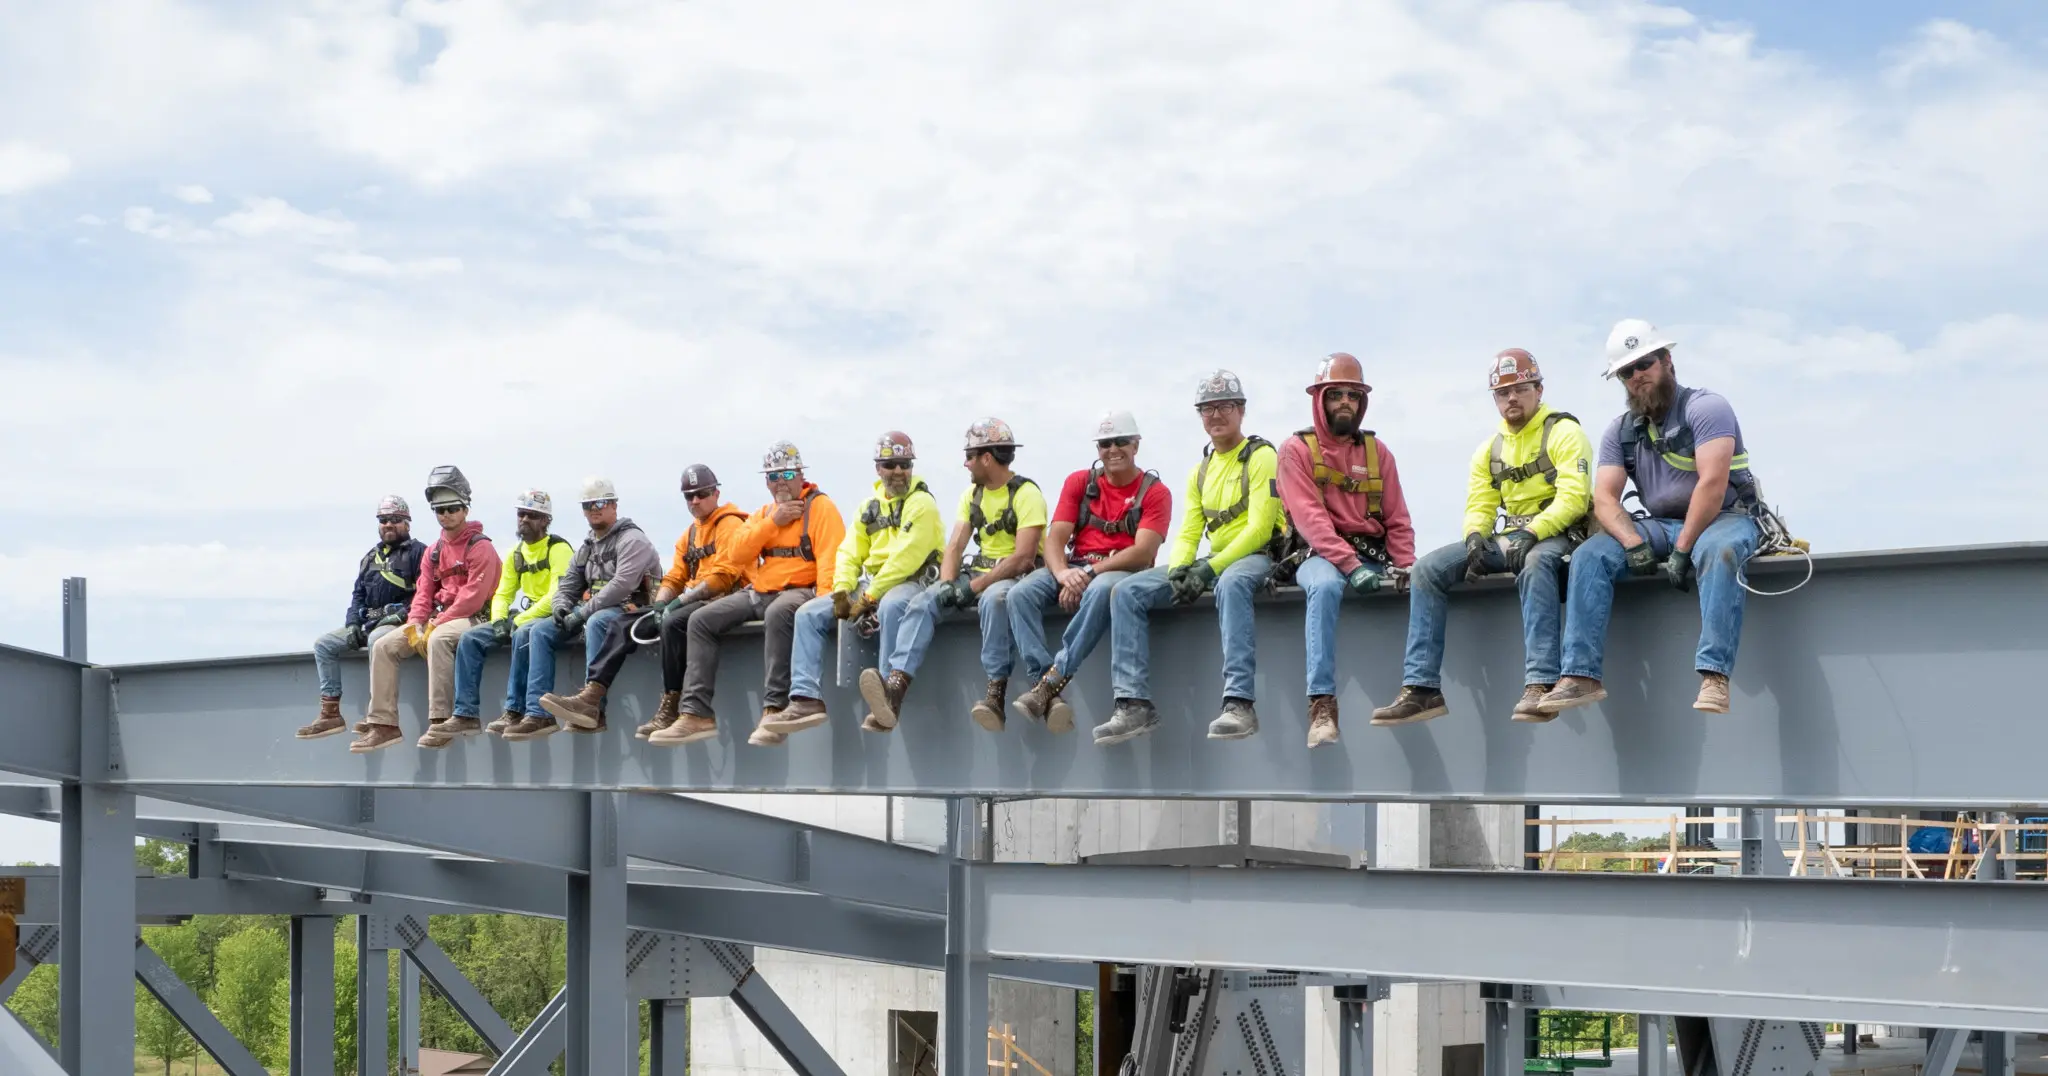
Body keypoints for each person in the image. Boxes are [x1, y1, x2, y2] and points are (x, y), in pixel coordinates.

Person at [1537, 319, 1761, 717]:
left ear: (1667, 360)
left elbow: (1711, 483)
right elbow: (1605, 498)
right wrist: (1632, 543)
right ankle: (1580, 675)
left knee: (1720, 551)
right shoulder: (1621, 432)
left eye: (1646, 363)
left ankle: (1714, 675)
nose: (1638, 375)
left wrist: (1683, 548)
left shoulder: (1706, 408)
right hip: (1659, 525)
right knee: (1590, 556)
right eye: (1628, 370)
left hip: (1722, 517)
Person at [1371, 349, 1587, 727]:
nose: (1512, 399)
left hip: (1557, 534)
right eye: (1503, 393)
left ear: (1538, 388)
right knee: (1428, 569)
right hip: (1510, 538)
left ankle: (1541, 682)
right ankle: (1422, 688)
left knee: (1536, 564)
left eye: (1520, 389)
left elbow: (1574, 497)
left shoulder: (1564, 432)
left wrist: (1533, 532)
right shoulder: (1489, 450)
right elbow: (1481, 505)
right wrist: (1473, 537)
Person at [1096, 371, 1283, 745]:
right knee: (1127, 592)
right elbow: (1189, 531)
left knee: (1231, 583)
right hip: (1213, 559)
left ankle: (1239, 703)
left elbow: (1260, 529)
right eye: (1207, 408)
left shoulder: (1262, 457)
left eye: (1225, 406)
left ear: (1241, 411)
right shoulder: (1200, 471)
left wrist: (1209, 568)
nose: (1216, 415)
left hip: (1258, 557)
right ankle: (1133, 704)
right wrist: (1182, 568)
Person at [1276, 353, 1417, 746]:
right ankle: (1322, 705)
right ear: (1319, 399)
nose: (1344, 403)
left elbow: (1398, 519)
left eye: (1352, 396)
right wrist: (1351, 565)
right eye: (1335, 394)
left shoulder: (1377, 453)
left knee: (1423, 585)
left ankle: (1418, 686)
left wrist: (1406, 566)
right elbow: (1310, 520)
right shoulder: (1295, 451)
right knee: (1324, 588)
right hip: (1317, 555)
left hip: (1373, 556)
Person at [764, 431, 943, 737]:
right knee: (807, 613)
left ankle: (888, 697)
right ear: (878, 468)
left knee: (892, 604)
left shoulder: (921, 503)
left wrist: (869, 597)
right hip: (873, 583)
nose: (898, 471)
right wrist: (842, 591)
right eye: (890, 465)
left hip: (911, 580)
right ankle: (805, 698)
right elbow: (849, 551)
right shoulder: (868, 507)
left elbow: (906, 558)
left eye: (904, 464)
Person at [667, 441, 846, 747]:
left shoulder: (819, 508)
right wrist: (772, 523)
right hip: (761, 591)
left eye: (786, 474)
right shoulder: (765, 514)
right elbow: (736, 553)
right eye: (773, 476)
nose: (780, 482)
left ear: (800, 474)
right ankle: (695, 713)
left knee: (779, 613)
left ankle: (773, 710)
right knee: (700, 620)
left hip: (802, 592)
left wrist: (824, 604)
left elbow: (832, 558)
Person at [1008, 409, 1171, 732]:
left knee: (1101, 590)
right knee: (1019, 594)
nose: (1113, 450)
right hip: (1076, 567)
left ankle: (1054, 678)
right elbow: (1055, 540)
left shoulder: (1155, 493)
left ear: (1136, 445)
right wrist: (1063, 575)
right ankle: (1047, 689)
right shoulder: (1080, 482)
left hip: (1118, 570)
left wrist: (1090, 574)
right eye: (1105, 444)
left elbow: (1143, 551)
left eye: (1121, 441)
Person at [885, 418, 1047, 731]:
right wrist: (946, 587)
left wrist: (972, 587)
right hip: (979, 569)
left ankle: (995, 693)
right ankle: (896, 684)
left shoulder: (1027, 494)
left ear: (987, 457)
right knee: (923, 601)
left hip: (1012, 575)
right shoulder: (972, 495)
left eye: (971, 456)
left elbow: (1024, 557)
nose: (966, 463)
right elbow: (955, 546)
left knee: (994, 600)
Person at [571, 464, 748, 742]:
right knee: (624, 622)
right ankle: (593, 692)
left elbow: (724, 576)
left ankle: (672, 703)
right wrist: (660, 603)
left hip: (724, 597)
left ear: (715, 493)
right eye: (689, 496)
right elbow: (675, 576)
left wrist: (675, 604)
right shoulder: (689, 535)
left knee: (673, 621)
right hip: (691, 599)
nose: (695, 501)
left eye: (701, 494)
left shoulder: (731, 525)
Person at [350, 466, 502, 752]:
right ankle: (384, 724)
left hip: (473, 617)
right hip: (439, 617)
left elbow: (473, 596)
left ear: (465, 509)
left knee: (439, 639)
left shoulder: (481, 548)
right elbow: (423, 592)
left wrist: (436, 623)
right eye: (439, 510)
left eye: (452, 508)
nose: (446, 515)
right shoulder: (434, 551)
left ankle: (440, 720)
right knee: (384, 646)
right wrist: (415, 623)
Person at [521, 478, 663, 736]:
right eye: (587, 505)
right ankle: (537, 714)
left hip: (632, 612)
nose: (594, 509)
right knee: (540, 631)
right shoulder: (587, 547)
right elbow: (569, 584)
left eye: (600, 502)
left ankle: (592, 709)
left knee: (597, 621)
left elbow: (622, 584)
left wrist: (582, 613)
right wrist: (562, 607)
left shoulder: (632, 539)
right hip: (592, 611)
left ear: (614, 505)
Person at [297, 495, 427, 739]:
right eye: (383, 519)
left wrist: (400, 614)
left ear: (407, 524)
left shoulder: (419, 553)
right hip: (368, 621)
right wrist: (353, 623)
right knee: (324, 644)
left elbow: (425, 593)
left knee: (377, 640)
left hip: (399, 623)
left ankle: (376, 714)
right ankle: (330, 712)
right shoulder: (370, 558)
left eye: (395, 519)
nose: (388, 524)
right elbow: (358, 595)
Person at [448, 490, 574, 738]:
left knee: (524, 633)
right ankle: (465, 713)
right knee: (470, 639)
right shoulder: (516, 554)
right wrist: (497, 622)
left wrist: (519, 620)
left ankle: (516, 709)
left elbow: (556, 595)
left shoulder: (558, 550)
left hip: (552, 614)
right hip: (525, 616)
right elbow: (503, 593)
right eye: (521, 514)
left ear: (546, 520)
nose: (525, 520)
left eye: (533, 515)